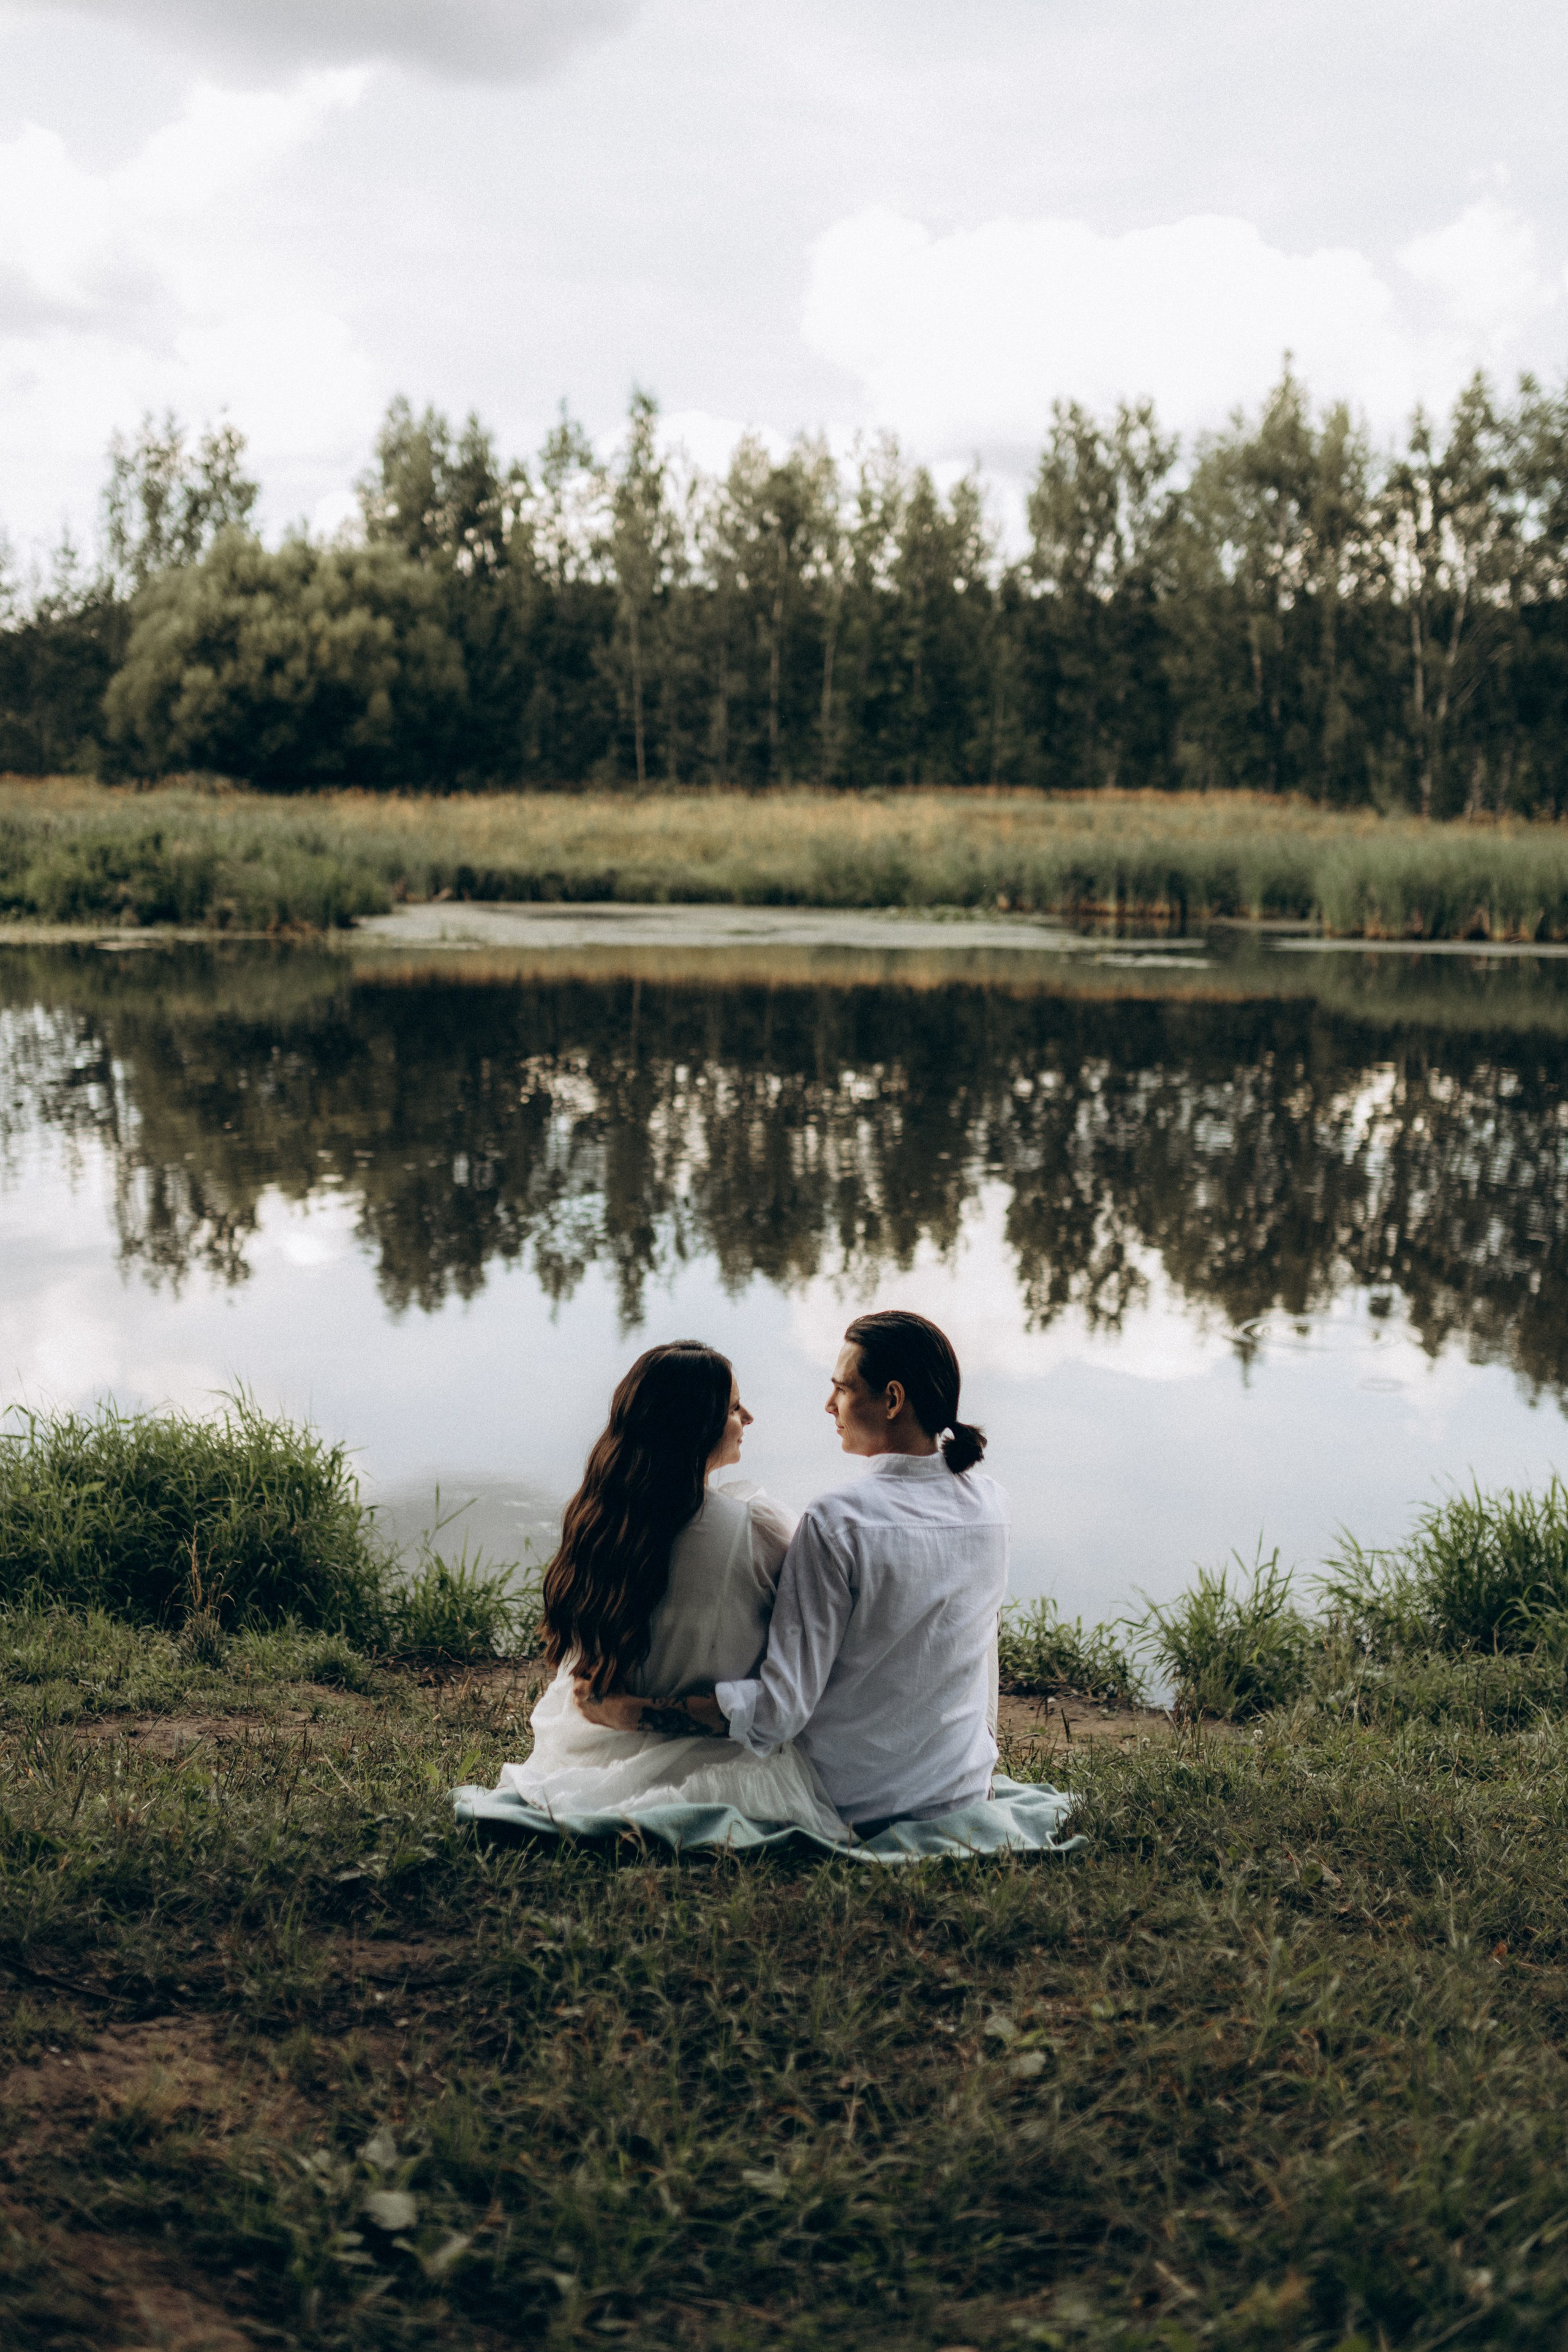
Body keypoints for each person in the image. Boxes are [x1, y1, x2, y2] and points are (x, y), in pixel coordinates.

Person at [578, 1310, 1008, 1840]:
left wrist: (631, 1712)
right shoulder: (989, 1504)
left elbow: (780, 1712)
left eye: (842, 1389)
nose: (830, 1405)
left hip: (854, 1799)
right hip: (962, 1789)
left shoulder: (838, 1520)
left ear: (892, 1400)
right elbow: (982, 1651)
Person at [485, 1340, 845, 1841]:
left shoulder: (602, 1521)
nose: (749, 1417)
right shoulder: (758, 1530)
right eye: (735, 1407)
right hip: (716, 1769)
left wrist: (625, 1710)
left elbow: (585, 1676)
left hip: (591, 1752)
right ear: (696, 1425)